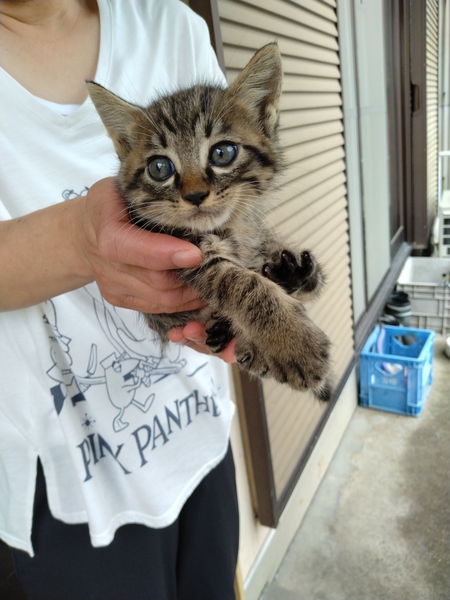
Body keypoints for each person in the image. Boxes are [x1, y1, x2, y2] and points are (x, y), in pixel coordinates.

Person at [0, 1, 239, 598]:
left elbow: (238, 196)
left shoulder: (169, 24)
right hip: (59, 476)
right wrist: (78, 241)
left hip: (196, 423)